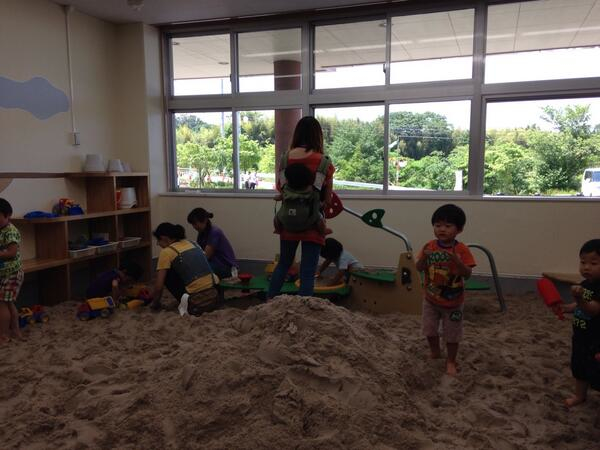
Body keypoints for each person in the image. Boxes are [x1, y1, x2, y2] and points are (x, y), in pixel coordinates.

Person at [268, 116, 335, 298]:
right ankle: (304, 308)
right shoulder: (324, 162)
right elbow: (327, 198)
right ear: (318, 136)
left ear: (297, 134)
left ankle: (270, 302)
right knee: (307, 270)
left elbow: (280, 188)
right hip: (313, 222)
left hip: (288, 221)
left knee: (283, 264)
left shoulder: (285, 159)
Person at [415, 204, 476, 376]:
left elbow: (468, 274)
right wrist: (425, 257)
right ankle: (435, 352)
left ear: (459, 229)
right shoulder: (429, 246)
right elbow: (418, 268)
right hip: (430, 299)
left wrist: (457, 262)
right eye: (438, 225)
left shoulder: (462, 249)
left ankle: (451, 361)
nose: (442, 229)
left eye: (448, 226)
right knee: (429, 330)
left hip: (454, 302)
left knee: (452, 334)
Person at [560, 239, 600, 408]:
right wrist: (567, 307)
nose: (586, 267)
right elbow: (579, 306)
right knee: (579, 367)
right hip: (580, 336)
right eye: (583, 262)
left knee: (596, 370)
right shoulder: (584, 284)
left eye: (593, 263)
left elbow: (593, 309)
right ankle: (579, 395)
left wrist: (581, 299)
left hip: (596, 340)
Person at [151, 222, 218, 314]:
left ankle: (187, 303)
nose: (158, 244)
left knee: (166, 274)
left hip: (195, 304)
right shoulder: (193, 243)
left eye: (158, 241)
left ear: (164, 238)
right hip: (214, 297)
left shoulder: (166, 252)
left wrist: (155, 304)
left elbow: (159, 286)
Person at [273, 162, 328, 236]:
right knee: (320, 218)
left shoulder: (286, 190)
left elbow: (280, 197)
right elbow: (316, 202)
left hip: (286, 219)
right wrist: (322, 204)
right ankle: (323, 231)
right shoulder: (311, 190)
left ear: (288, 180)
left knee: (276, 218)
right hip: (306, 220)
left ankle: (277, 229)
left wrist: (276, 198)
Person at [186, 208, 238, 279]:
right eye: (192, 224)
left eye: (195, 223)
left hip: (227, 268)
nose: (194, 227)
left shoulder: (214, 232)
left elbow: (205, 256)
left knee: (197, 270)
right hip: (214, 264)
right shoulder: (202, 233)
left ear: (204, 221)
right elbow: (199, 252)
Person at [0, 198, 23, 343]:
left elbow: (12, 253)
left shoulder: (11, 231)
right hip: (4, 274)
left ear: (8, 215)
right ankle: (16, 331)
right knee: (8, 303)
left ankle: (3, 334)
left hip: (12, 274)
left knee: (1, 303)